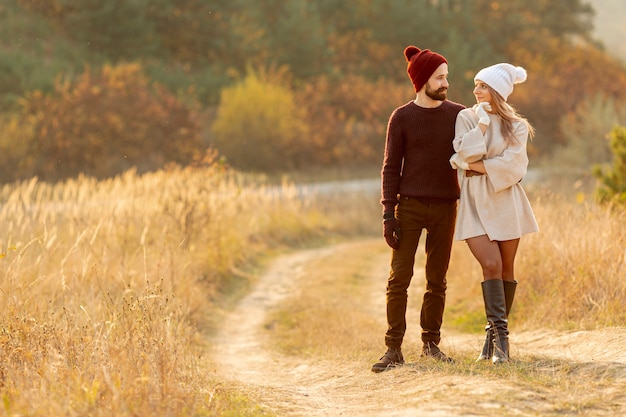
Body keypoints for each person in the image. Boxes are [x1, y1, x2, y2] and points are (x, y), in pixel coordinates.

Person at [371, 45, 465, 373]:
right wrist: (388, 214)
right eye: (440, 77)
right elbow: (389, 168)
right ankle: (393, 348)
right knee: (399, 279)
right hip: (408, 207)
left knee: (437, 279)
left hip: (445, 208)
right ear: (423, 79)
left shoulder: (459, 114)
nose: (446, 83)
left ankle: (431, 344)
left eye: (446, 77)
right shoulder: (402, 117)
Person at [449, 63, 538, 364]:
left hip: (506, 201)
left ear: (497, 91)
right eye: (475, 85)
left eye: (482, 86)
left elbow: (514, 167)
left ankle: (497, 342)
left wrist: (472, 166)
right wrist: (483, 126)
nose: (475, 91)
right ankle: (501, 341)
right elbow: (463, 152)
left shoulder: (518, 126)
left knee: (506, 269)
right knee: (490, 263)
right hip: (474, 202)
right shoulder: (466, 117)